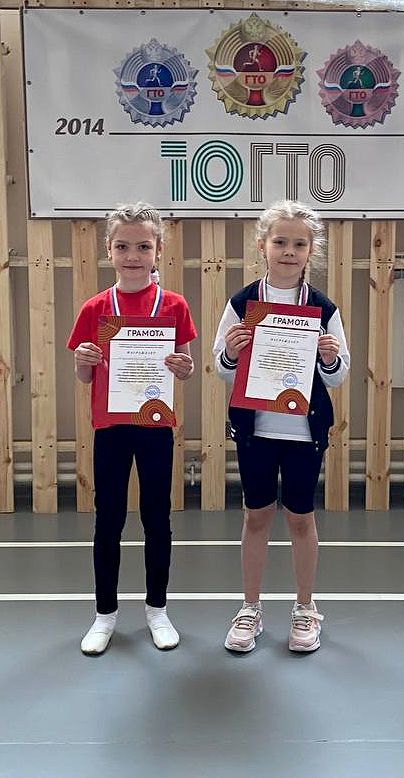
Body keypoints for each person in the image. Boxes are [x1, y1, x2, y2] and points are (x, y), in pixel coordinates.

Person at [213, 200, 349, 654]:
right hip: (256, 430)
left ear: (311, 251)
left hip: (303, 433)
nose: (289, 251)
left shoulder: (322, 308)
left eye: (299, 244)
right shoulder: (242, 303)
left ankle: (305, 607)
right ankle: (250, 607)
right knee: (255, 517)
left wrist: (329, 358)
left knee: (300, 518)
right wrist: (231, 351)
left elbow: (338, 375)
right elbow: (222, 367)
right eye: (280, 242)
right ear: (262, 246)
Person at [68, 202, 197, 655]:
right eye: (123, 246)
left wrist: (183, 367)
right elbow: (85, 376)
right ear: (109, 250)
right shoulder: (96, 307)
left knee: (157, 517)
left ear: (158, 250)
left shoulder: (174, 304)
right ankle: (104, 614)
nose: (133, 255)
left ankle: (157, 609)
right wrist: (83, 360)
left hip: (155, 424)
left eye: (143, 246)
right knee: (109, 518)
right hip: (111, 427)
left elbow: (184, 367)